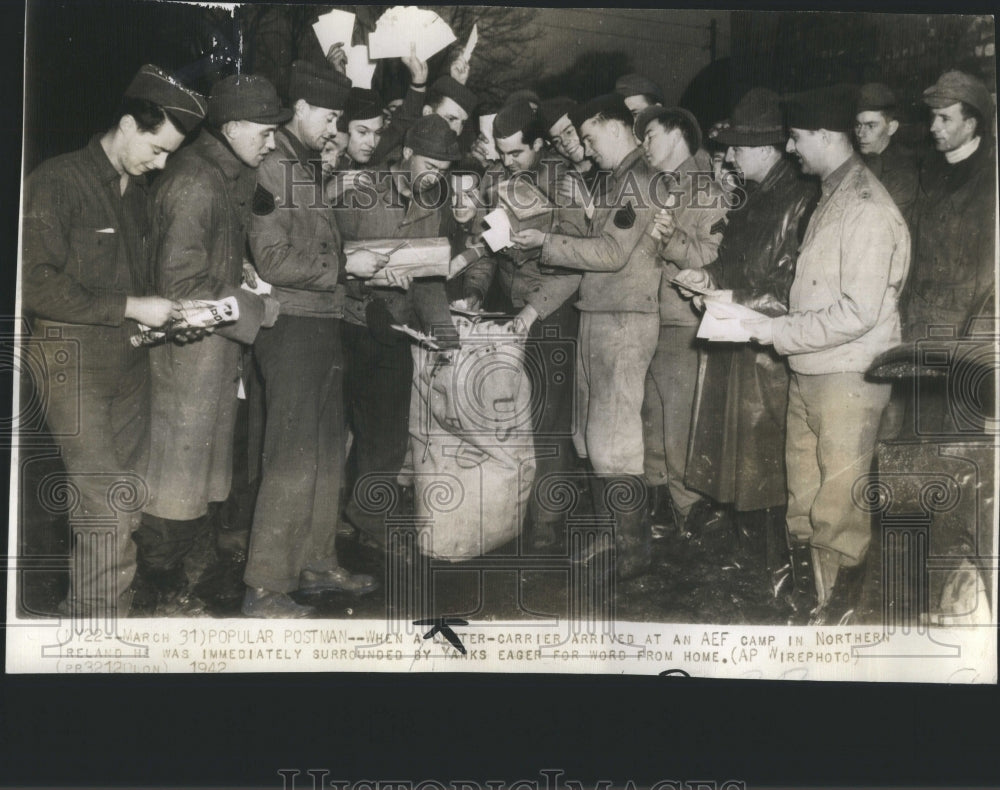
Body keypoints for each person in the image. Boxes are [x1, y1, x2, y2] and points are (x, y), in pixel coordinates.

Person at [21, 65, 206, 619]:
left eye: (171, 154)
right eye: (157, 148)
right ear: (127, 124)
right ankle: (101, 637)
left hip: (128, 362)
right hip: (69, 361)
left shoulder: (137, 195)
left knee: (125, 502)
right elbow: (33, 282)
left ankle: (95, 613)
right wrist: (130, 307)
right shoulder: (58, 181)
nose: (162, 163)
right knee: (103, 505)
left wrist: (169, 317)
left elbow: (137, 285)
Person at [742, 84, 910, 624]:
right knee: (807, 497)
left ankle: (840, 618)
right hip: (815, 368)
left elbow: (857, 311)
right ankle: (816, 601)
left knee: (839, 508)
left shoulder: (865, 207)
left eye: (794, 138)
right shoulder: (834, 194)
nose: (790, 149)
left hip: (848, 375)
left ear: (821, 135)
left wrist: (780, 334)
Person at [134, 74, 286, 614]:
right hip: (187, 357)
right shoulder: (198, 182)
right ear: (234, 127)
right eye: (266, 132)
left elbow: (204, 260)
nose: (271, 143)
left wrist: (240, 271)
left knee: (191, 479)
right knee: (173, 482)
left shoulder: (219, 175)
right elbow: (180, 287)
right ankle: (153, 592)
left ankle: (169, 582)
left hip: (209, 353)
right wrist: (256, 309)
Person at [244, 60, 385, 617]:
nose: (334, 129)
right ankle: (263, 587)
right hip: (293, 327)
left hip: (321, 322)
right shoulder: (273, 167)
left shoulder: (302, 163)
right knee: (292, 454)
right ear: (299, 108)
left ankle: (316, 562)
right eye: (328, 117)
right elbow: (273, 259)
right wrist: (347, 267)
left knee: (327, 451)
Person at [510, 94, 662, 580]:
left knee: (614, 439)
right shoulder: (616, 178)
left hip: (623, 318)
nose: (587, 149)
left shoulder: (638, 179)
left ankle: (633, 551)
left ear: (611, 126)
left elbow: (614, 252)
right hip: (599, 311)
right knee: (591, 436)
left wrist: (546, 243)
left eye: (591, 138)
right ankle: (611, 535)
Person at [675, 88, 819, 595]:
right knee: (738, 457)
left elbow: (792, 288)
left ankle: (777, 570)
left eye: (737, 148)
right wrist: (705, 276)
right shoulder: (756, 194)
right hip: (737, 339)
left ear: (765, 148)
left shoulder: (801, 199)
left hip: (766, 352)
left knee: (767, 461)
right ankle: (752, 559)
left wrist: (727, 292)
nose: (730, 157)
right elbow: (733, 261)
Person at [335, 114, 465, 549]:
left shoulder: (433, 204)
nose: (436, 179)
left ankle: (368, 521)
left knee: (388, 436)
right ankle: (342, 513)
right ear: (407, 154)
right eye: (430, 167)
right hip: (348, 326)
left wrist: (444, 330)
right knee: (345, 429)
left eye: (444, 172)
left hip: (394, 329)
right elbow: (330, 257)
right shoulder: (360, 191)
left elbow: (429, 276)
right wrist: (358, 290)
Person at [461, 100, 584, 550]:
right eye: (500, 152)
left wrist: (534, 312)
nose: (506, 161)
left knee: (550, 417)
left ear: (538, 144)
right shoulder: (495, 181)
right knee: (516, 416)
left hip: (552, 310)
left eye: (515, 153)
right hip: (511, 311)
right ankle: (512, 513)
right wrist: (474, 291)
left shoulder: (565, 183)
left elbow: (576, 263)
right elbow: (484, 246)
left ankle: (547, 524)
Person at [633, 105, 729, 535]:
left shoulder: (708, 191)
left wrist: (671, 240)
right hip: (651, 319)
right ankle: (661, 514)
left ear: (676, 135)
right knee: (652, 421)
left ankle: (691, 519)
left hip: (683, 324)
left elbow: (714, 260)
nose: (644, 144)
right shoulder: (658, 187)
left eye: (650, 134)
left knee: (679, 428)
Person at [853, 83, 918, 216]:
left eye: (871, 126)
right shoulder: (854, 160)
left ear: (891, 128)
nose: (860, 133)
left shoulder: (903, 173)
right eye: (858, 125)